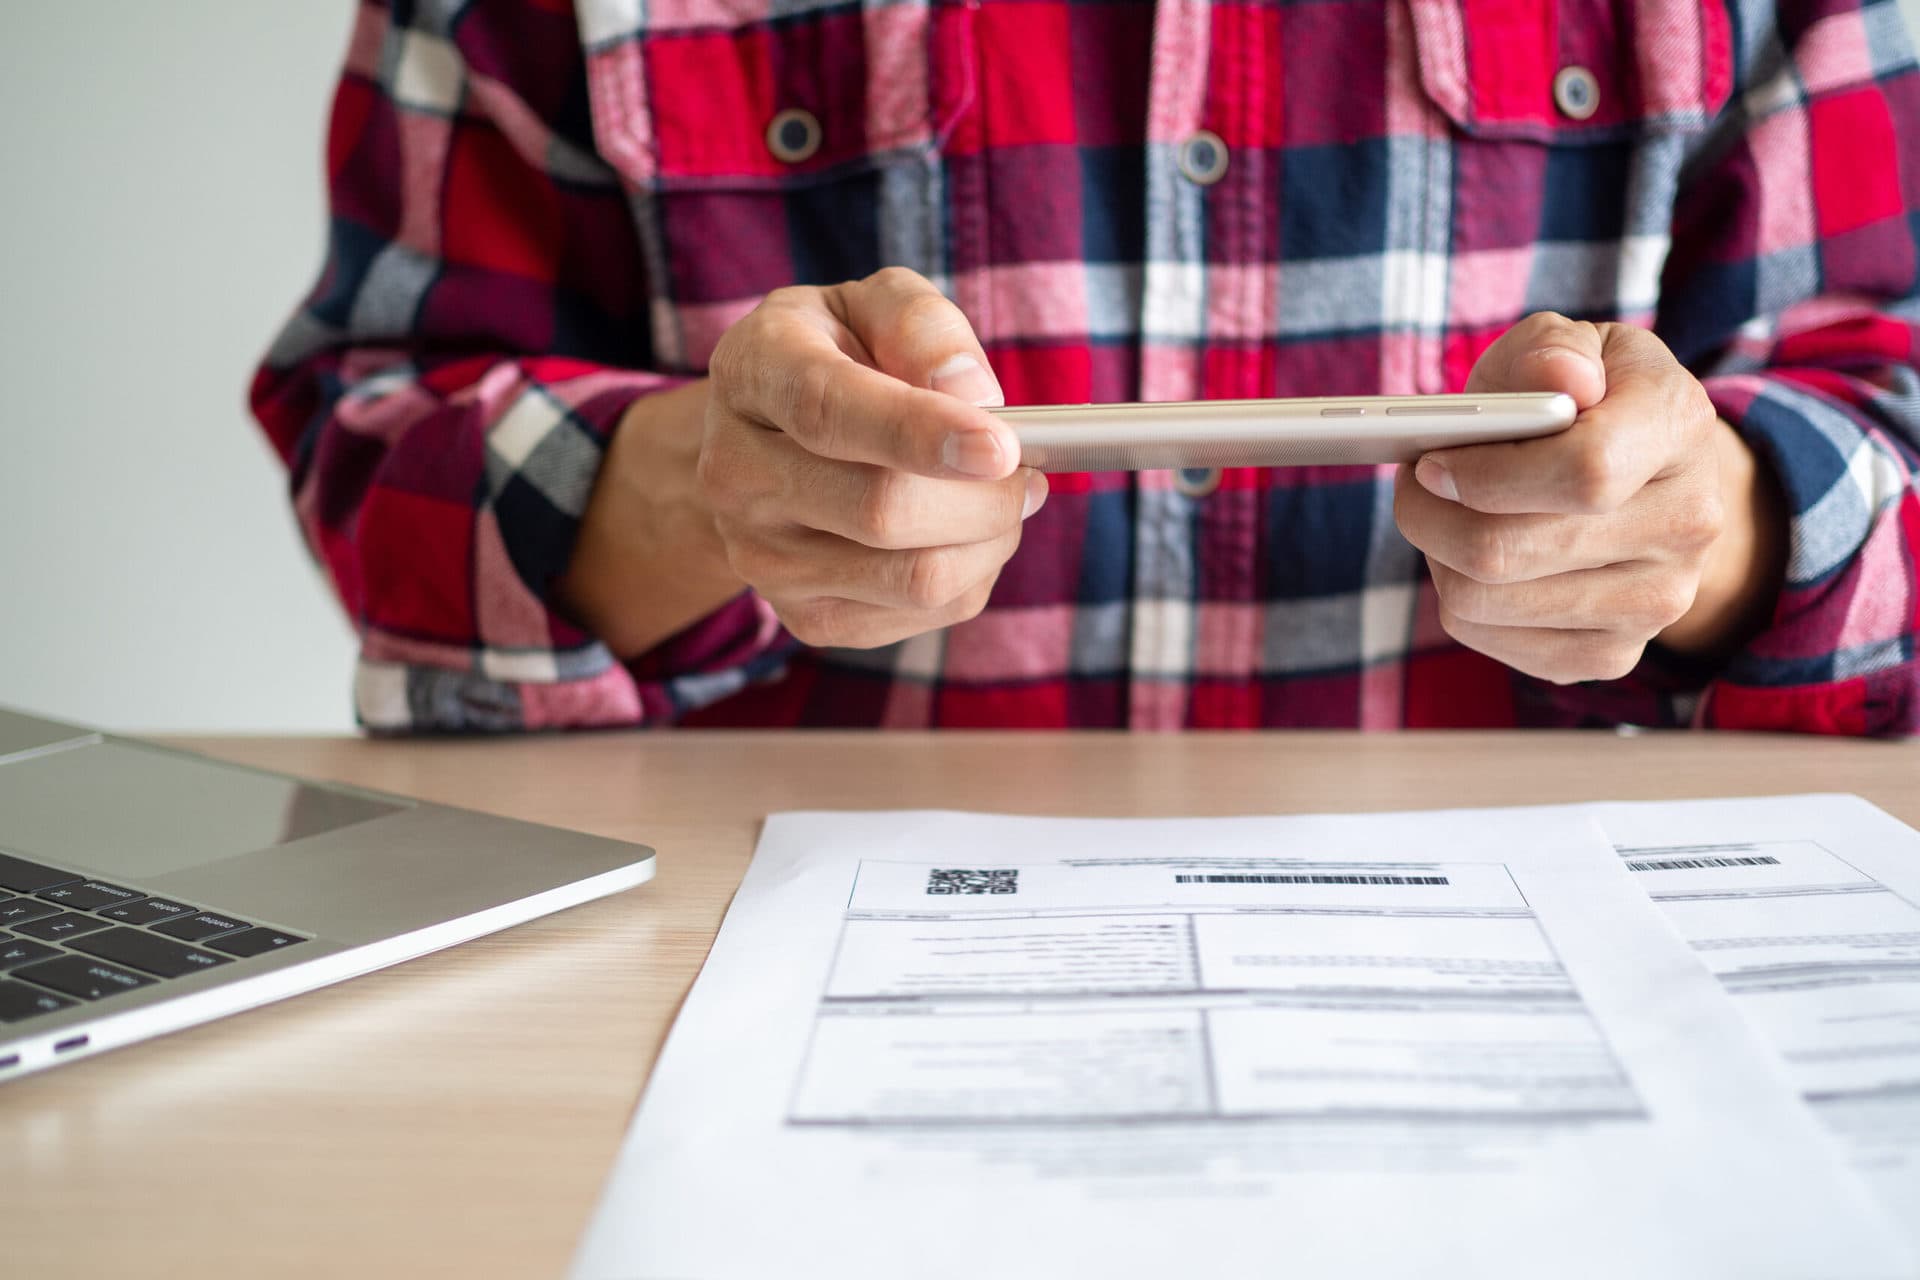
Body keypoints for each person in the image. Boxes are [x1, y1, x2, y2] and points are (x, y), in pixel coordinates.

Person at [252, 0, 1919, 735]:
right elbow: (373, 438)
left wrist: (1720, 527)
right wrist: (704, 486)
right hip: (778, 975)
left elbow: (1891, 419)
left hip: (1555, 989)